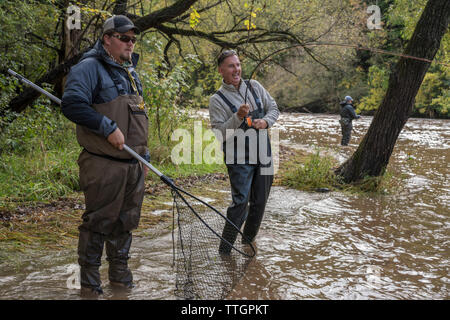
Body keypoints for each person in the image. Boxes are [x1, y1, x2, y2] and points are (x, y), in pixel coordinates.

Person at [61, 15, 150, 296]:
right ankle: (89, 287)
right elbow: (72, 105)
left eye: (133, 39)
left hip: (133, 166)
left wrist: (143, 157)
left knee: (125, 224)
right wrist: (106, 127)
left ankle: (121, 283)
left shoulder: (130, 72)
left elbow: (138, 120)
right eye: (124, 38)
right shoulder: (89, 67)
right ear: (107, 38)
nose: (130, 43)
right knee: (98, 224)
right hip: (102, 164)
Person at [209, 50, 280, 254]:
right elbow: (220, 134)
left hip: (264, 154)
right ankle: (225, 249)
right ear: (221, 70)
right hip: (238, 158)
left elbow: (273, 108)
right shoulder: (217, 100)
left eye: (238, 64)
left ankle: (247, 244)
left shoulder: (255, 86)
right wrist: (238, 117)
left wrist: (266, 121)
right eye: (231, 66)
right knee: (240, 203)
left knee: (260, 202)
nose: (236, 69)